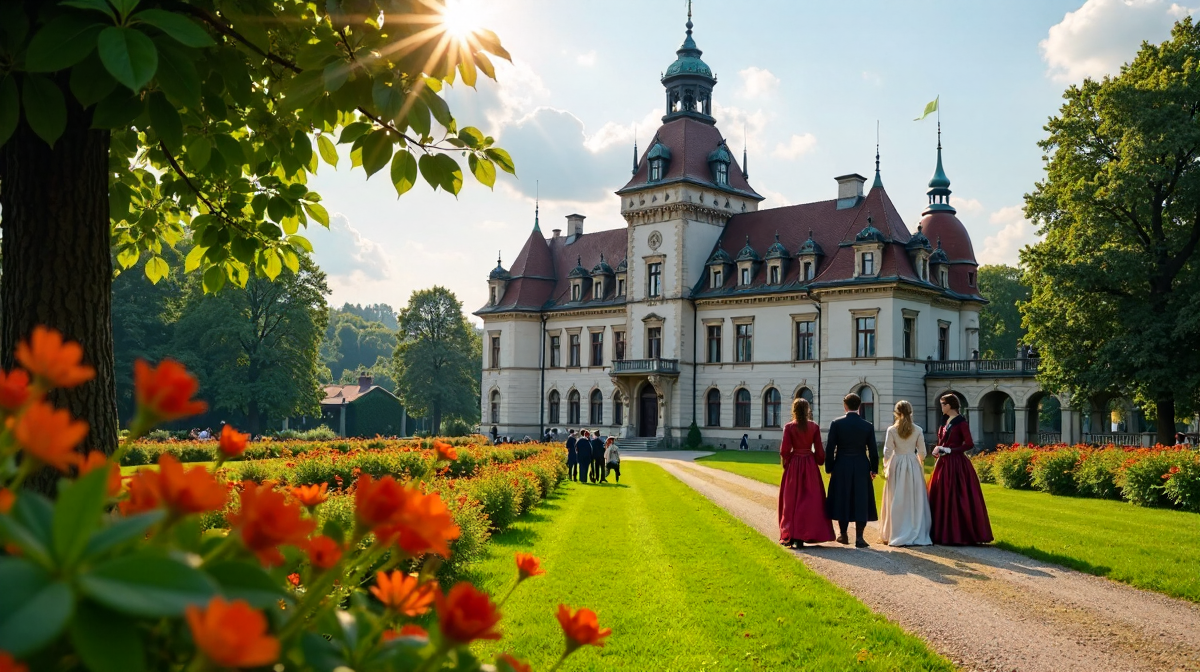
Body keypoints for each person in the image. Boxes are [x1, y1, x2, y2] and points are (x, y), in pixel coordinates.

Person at [928, 394, 994, 545]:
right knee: (941, 496)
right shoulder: (945, 420)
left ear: (950, 405)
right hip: (944, 463)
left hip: (956, 464)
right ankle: (941, 533)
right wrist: (938, 449)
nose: (941, 407)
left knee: (958, 496)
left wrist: (950, 450)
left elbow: (969, 444)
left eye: (943, 404)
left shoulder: (961, 422)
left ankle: (958, 534)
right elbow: (942, 441)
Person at [777, 397, 835, 549]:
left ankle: (792, 534)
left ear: (794, 410)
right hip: (809, 464)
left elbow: (784, 450)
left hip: (795, 464)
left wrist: (788, 462)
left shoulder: (789, 427)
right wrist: (818, 460)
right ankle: (806, 533)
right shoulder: (814, 427)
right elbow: (820, 451)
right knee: (810, 501)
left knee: (792, 501)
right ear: (808, 410)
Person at [824, 393, 878, 548]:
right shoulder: (867, 426)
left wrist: (829, 467)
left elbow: (830, 448)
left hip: (842, 463)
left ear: (845, 405)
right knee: (861, 498)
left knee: (843, 497)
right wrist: (874, 469)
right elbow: (873, 451)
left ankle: (843, 534)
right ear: (859, 406)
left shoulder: (837, 423)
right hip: (861, 463)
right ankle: (860, 537)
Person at [879, 400, 932, 546]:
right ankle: (914, 526)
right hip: (912, 463)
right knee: (913, 495)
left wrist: (886, 466)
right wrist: (919, 461)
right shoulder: (918, 430)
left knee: (896, 496)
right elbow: (922, 452)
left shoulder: (892, 430)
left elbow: (887, 451)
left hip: (897, 462)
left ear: (896, 413)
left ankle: (894, 530)